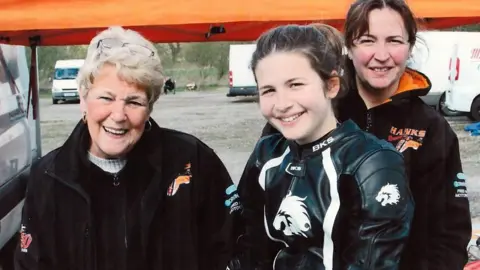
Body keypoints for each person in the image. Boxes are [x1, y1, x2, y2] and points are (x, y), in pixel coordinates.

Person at [262, 0, 473, 269]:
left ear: (410, 46)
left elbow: (448, 232)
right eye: (367, 40)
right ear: (349, 46)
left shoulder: (430, 127)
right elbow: (261, 204)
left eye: (394, 41)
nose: (381, 55)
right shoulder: (309, 107)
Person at [14, 26, 242, 270]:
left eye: (134, 101)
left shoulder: (191, 161)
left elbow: (235, 248)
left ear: (150, 107)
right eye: (106, 98)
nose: (119, 115)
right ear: (83, 98)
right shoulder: (49, 177)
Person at [228, 24, 414, 269]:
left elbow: (373, 262)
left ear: (331, 85)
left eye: (295, 85)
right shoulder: (267, 154)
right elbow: (248, 246)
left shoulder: (372, 163)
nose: (282, 104)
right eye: (269, 90)